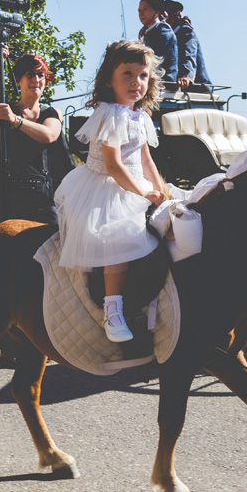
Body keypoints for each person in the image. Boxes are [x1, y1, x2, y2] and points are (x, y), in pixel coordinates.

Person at [54, 40, 166, 342]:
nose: (136, 82)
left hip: (133, 184)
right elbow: (115, 166)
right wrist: (144, 195)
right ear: (108, 80)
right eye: (127, 74)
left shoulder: (138, 116)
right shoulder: (111, 114)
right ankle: (112, 309)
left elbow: (146, 160)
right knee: (120, 235)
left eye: (142, 75)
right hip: (104, 188)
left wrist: (161, 191)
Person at [0, 51, 67, 223]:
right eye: (30, 75)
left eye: (40, 75)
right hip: (10, 196)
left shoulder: (52, 113)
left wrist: (15, 120)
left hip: (44, 197)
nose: (36, 80)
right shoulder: (6, 112)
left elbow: (49, 135)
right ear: (18, 81)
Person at [165, 0, 211, 90]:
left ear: (177, 15)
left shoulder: (185, 32)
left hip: (194, 88)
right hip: (176, 86)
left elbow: (189, 55)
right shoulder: (166, 36)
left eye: (168, 13)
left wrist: (186, 76)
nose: (164, 17)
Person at [137, 0, 177, 85]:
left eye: (145, 9)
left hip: (164, 81)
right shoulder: (145, 32)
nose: (141, 13)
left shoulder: (163, 30)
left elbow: (155, 58)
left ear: (157, 11)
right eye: (139, 10)